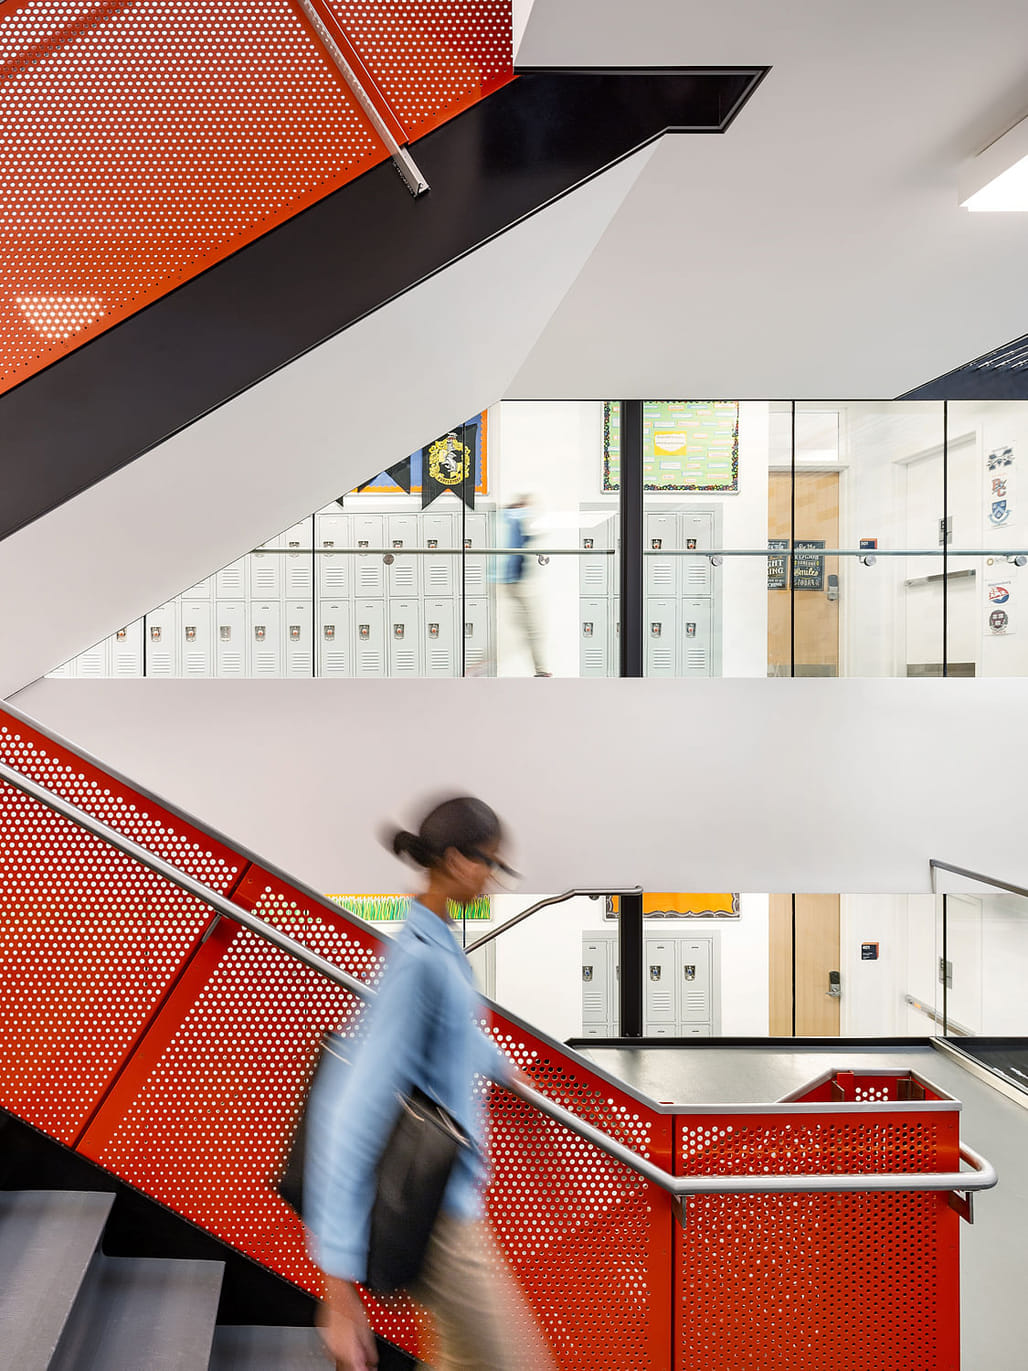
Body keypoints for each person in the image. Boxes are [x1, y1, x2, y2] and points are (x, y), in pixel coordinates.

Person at [304, 796, 556, 1371]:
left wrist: (507, 1071)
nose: (493, 879)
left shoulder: (438, 943)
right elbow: (353, 1107)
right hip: (438, 1214)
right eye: (492, 863)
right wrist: (337, 1284)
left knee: (461, 1361)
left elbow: (454, 1032)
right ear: (458, 860)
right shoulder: (419, 961)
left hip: (451, 1195)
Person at [496, 496, 551, 677]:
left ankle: (540, 670)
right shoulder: (515, 519)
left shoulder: (512, 522)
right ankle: (540, 670)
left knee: (527, 630)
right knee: (532, 630)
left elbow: (525, 542)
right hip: (515, 583)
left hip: (515, 582)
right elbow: (516, 549)